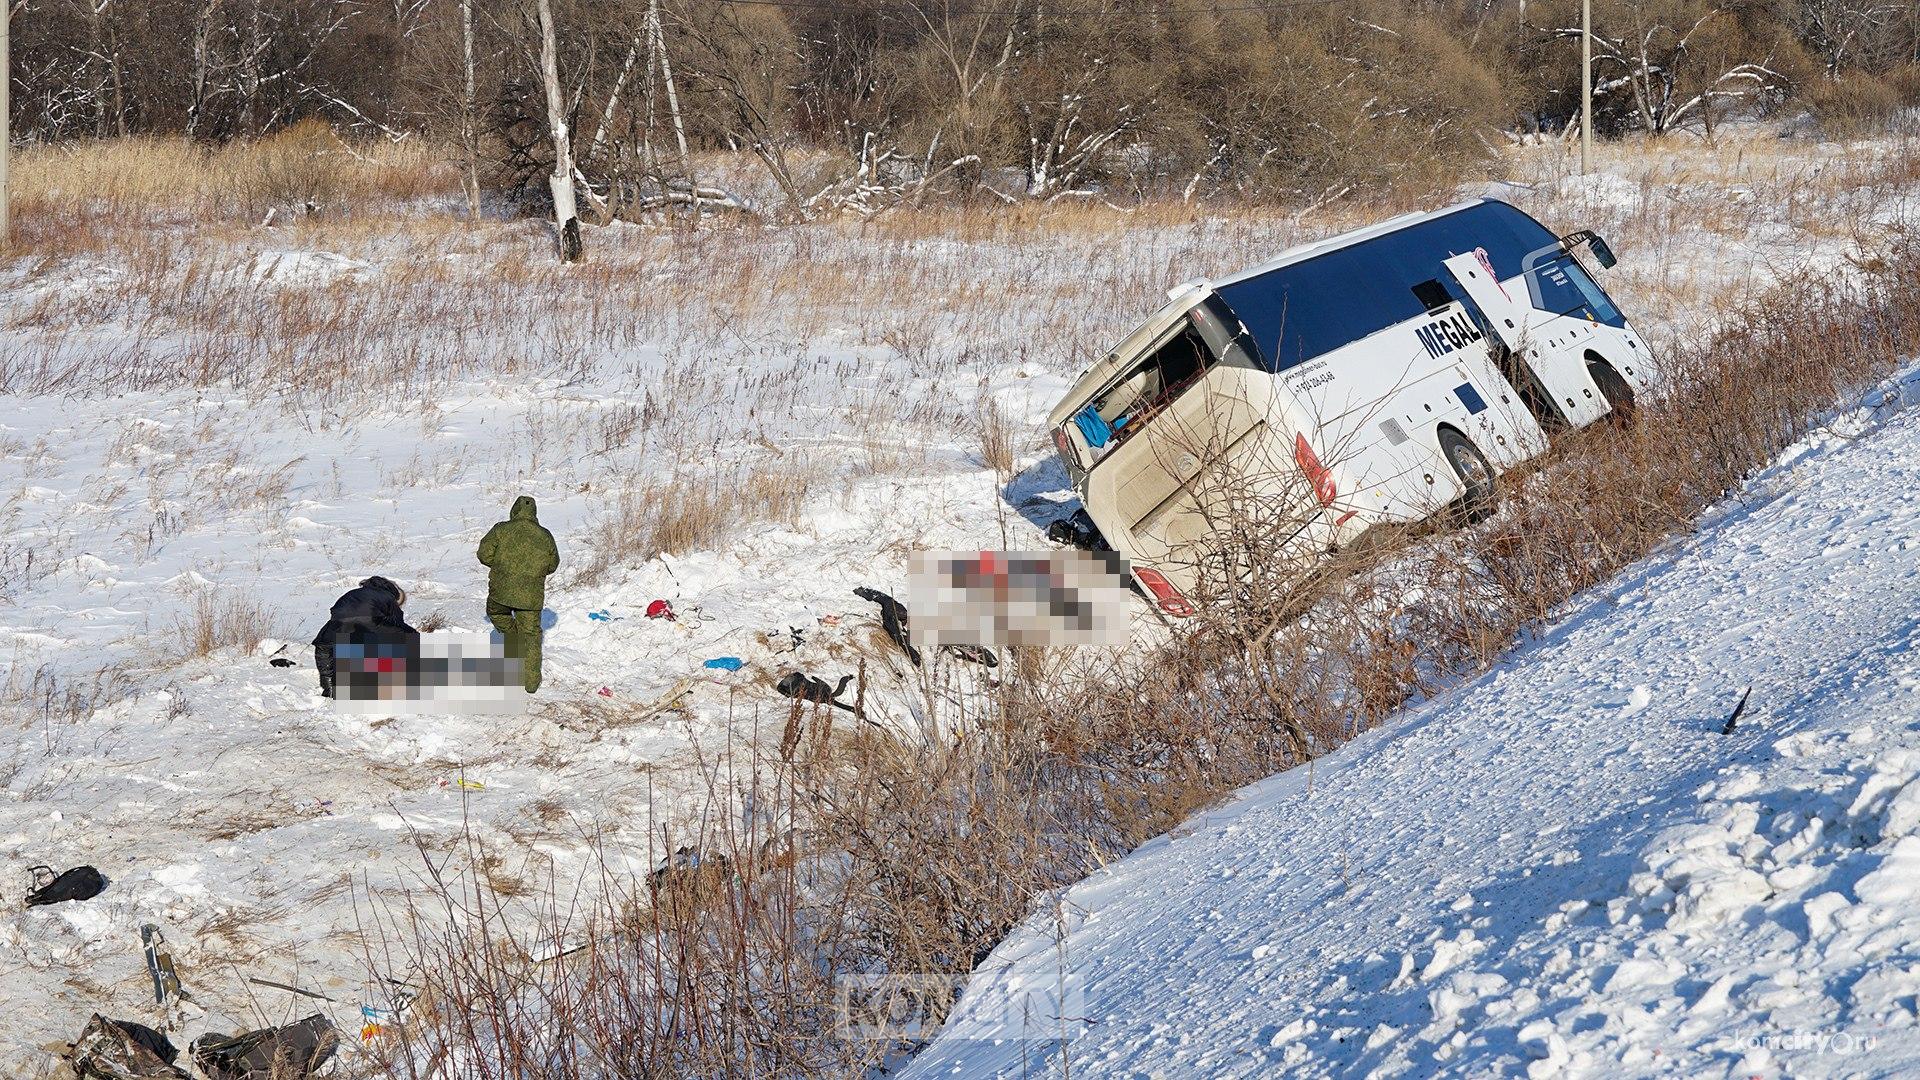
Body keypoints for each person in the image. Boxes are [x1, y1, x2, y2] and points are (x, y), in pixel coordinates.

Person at [478, 495, 560, 693]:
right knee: (531, 635)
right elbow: (552, 564)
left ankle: (514, 642)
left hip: (501, 591)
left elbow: (484, 555)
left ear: (514, 511)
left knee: (497, 613)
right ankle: (531, 683)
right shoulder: (545, 535)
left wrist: (503, 566)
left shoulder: (501, 529)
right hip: (531, 596)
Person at [311, 576, 417, 698]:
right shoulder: (388, 597)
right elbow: (397, 625)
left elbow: (338, 612)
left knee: (324, 646)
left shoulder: (352, 593)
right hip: (371, 623)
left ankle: (329, 687)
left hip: (338, 622)